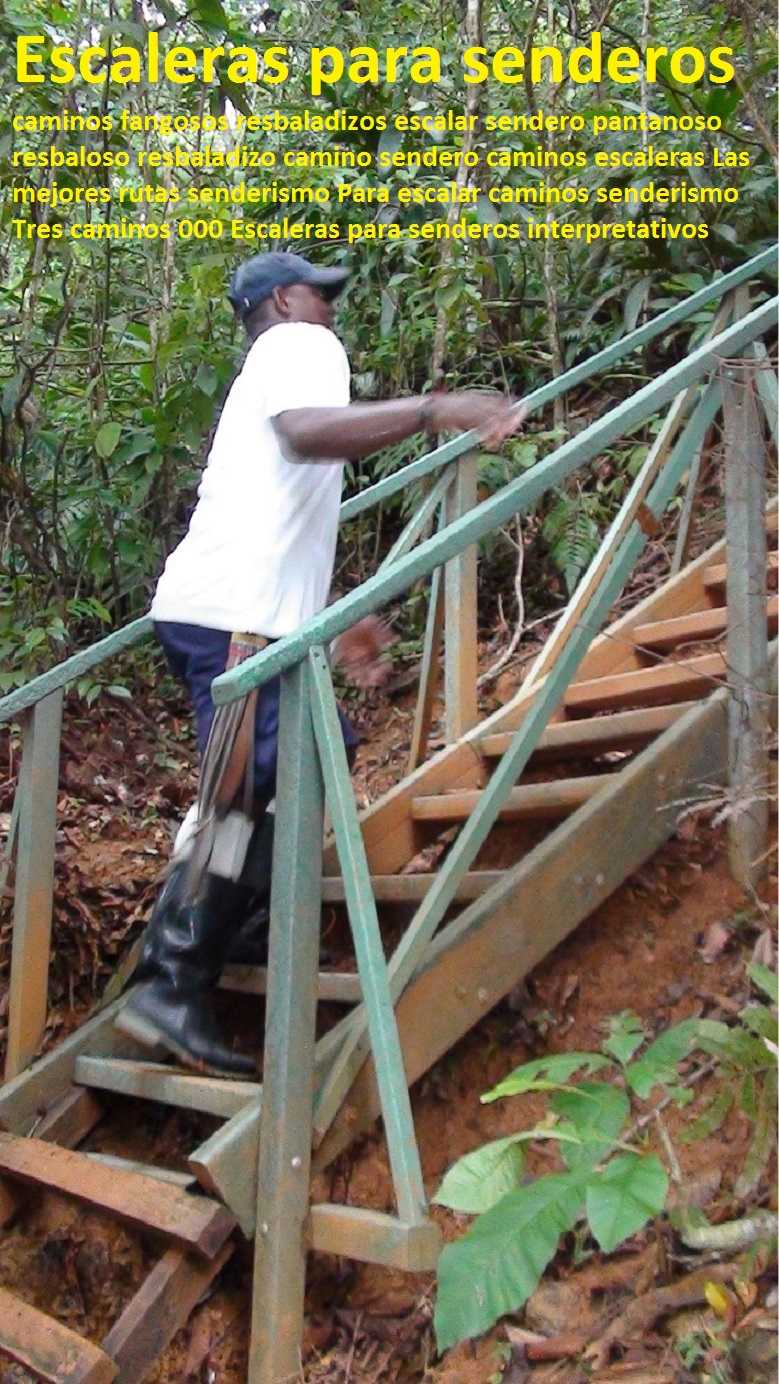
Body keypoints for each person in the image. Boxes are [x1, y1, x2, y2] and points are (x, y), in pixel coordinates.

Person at [115, 250, 522, 1077]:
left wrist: (340, 619)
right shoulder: (298, 347)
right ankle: (170, 979)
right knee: (247, 786)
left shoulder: (275, 361)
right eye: (319, 293)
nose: (331, 307)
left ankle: (244, 920)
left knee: (305, 754)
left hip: (246, 612)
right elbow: (305, 438)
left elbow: (280, 512)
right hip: (235, 618)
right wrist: (438, 408)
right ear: (281, 301)